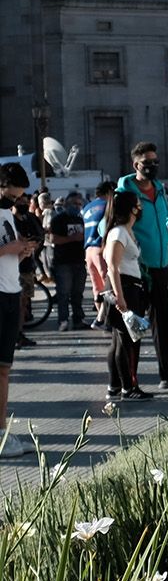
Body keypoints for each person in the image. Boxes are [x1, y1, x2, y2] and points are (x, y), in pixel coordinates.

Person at [116, 142, 168, 391]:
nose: (152, 166)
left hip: (161, 264)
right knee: (135, 327)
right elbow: (106, 225)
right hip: (138, 269)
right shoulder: (124, 194)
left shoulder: (159, 190)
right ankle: (130, 383)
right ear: (135, 165)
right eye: (147, 162)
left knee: (161, 323)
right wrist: (128, 238)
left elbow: (165, 216)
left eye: (155, 162)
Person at [0, 163, 38, 457]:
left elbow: (10, 247)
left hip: (11, 291)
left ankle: (2, 432)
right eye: (12, 196)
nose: (16, 203)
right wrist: (9, 249)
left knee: (4, 368)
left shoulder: (8, 215)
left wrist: (23, 249)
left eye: (20, 198)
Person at [102, 191, 154, 401]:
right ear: (131, 208)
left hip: (130, 286)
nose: (140, 207)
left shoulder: (125, 232)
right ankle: (128, 386)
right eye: (138, 203)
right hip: (123, 287)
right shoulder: (119, 233)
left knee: (120, 339)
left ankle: (115, 385)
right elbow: (113, 267)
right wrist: (120, 297)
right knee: (127, 340)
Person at [49, 190, 88, 330]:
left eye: (79, 204)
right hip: (63, 262)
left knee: (78, 294)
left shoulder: (80, 219)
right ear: (66, 204)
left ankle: (78, 320)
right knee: (63, 294)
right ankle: (63, 320)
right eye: (74, 204)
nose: (77, 207)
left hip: (79, 261)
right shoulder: (58, 220)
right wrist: (72, 238)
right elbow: (53, 239)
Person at [82, 181, 115, 330]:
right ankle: (104, 319)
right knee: (109, 284)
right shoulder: (108, 205)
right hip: (100, 248)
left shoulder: (87, 207)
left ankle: (100, 317)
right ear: (109, 192)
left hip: (88, 250)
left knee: (97, 286)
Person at [12, 194, 41, 346]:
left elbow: (37, 236)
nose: (23, 203)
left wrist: (32, 243)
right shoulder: (10, 220)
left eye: (25, 201)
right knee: (15, 304)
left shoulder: (29, 218)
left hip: (27, 265)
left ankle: (19, 333)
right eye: (19, 200)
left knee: (23, 304)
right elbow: (18, 241)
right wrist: (25, 243)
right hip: (15, 267)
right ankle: (13, 335)